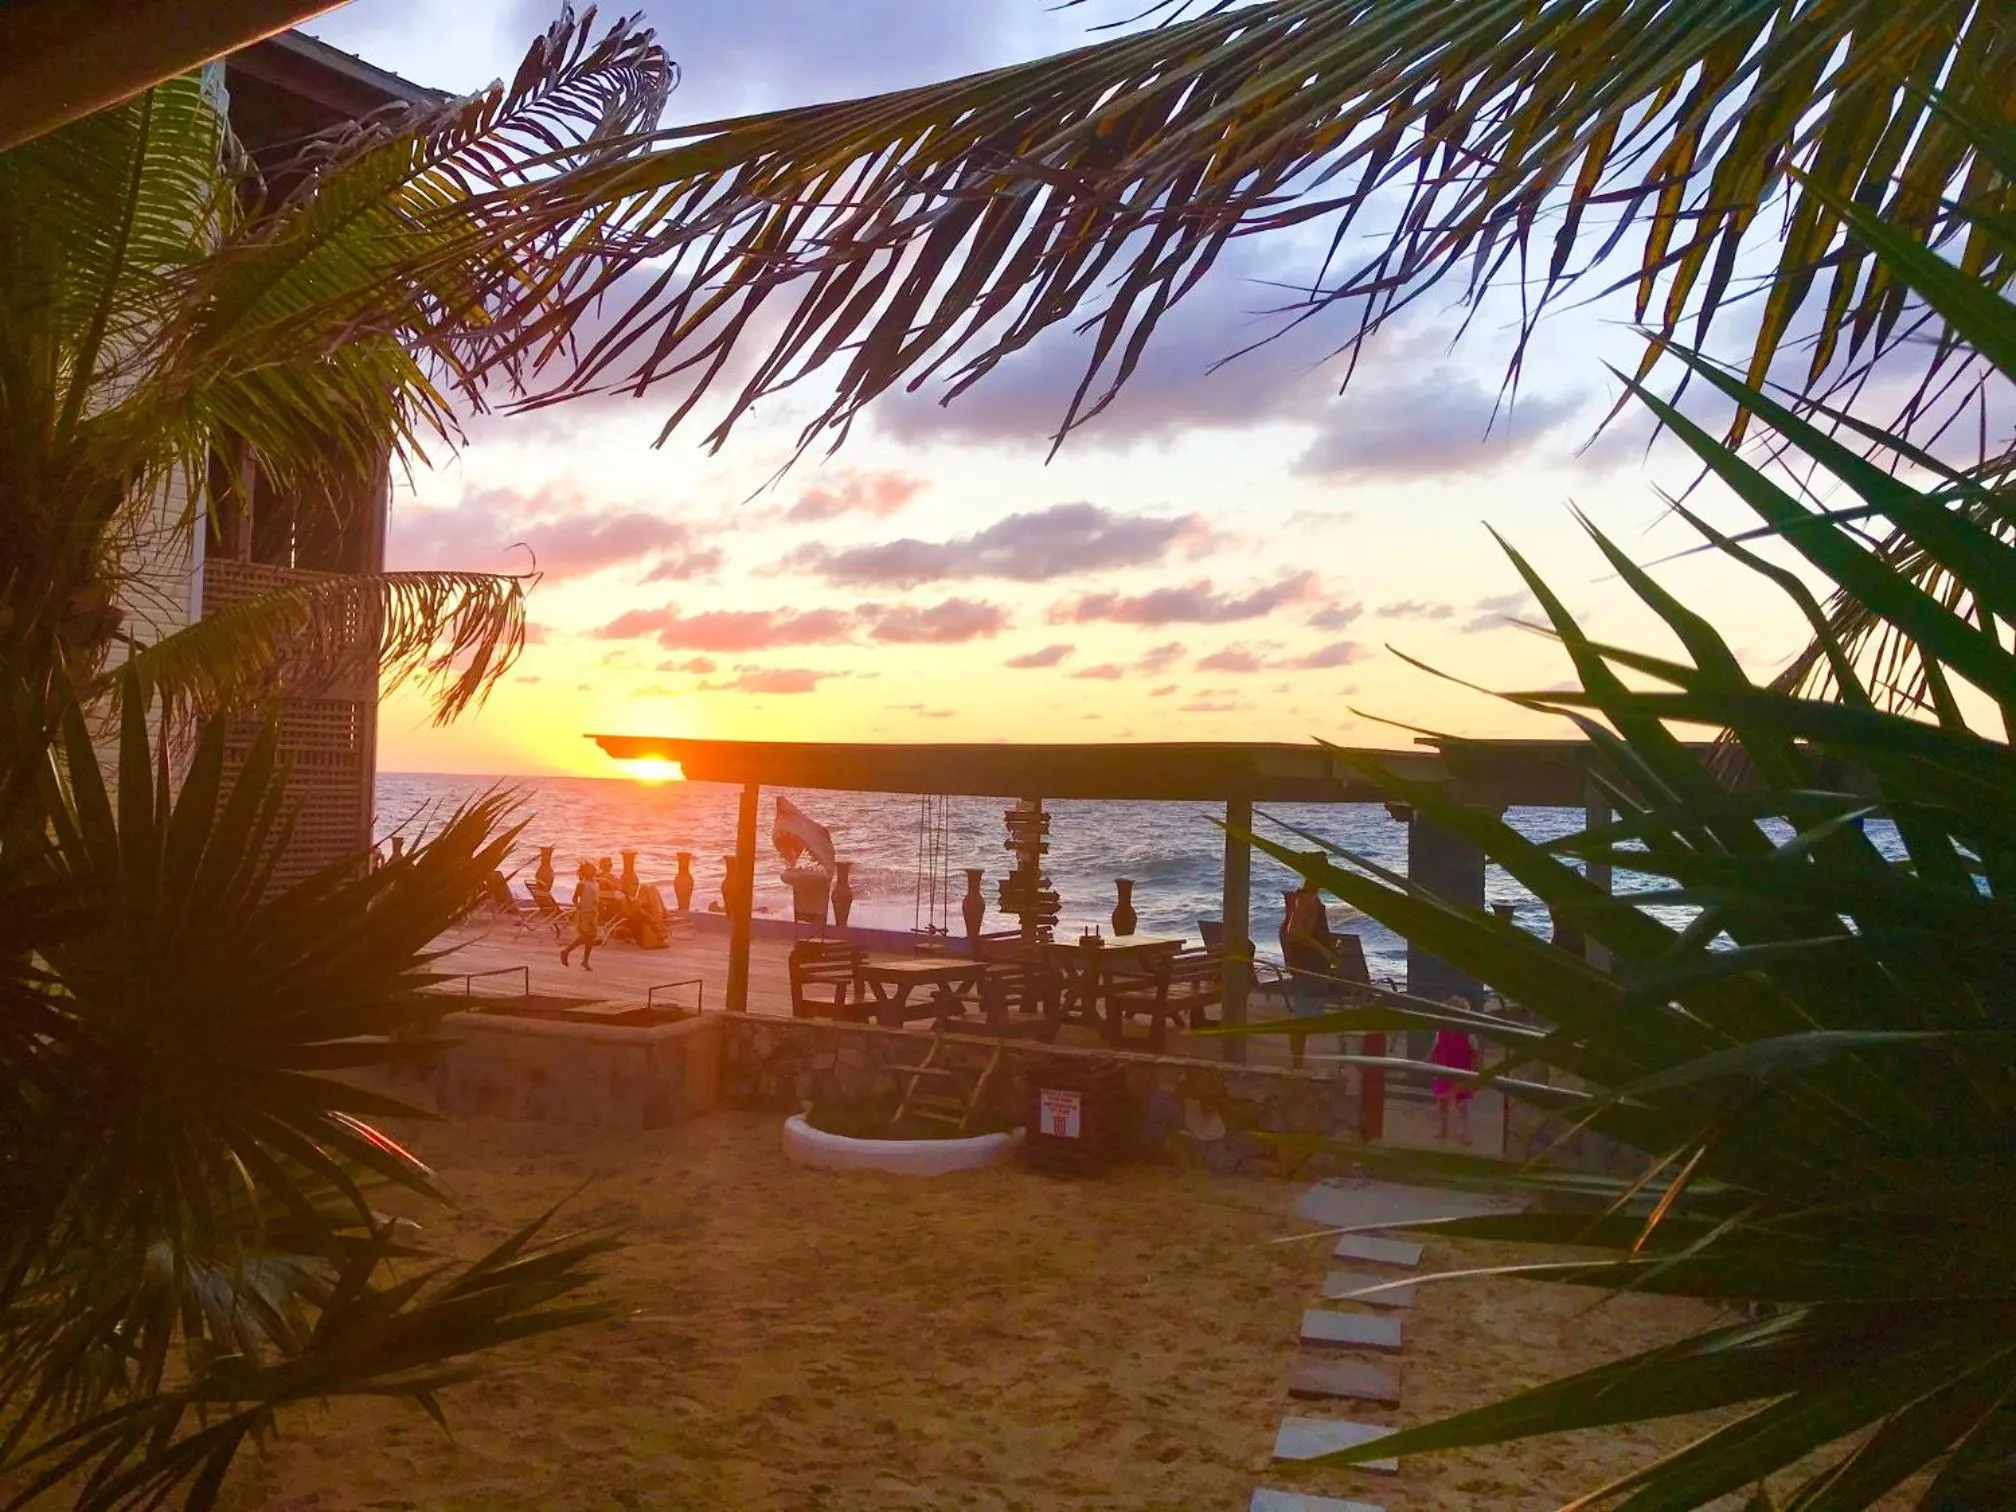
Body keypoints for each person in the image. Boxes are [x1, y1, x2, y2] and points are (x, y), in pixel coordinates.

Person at [1282, 876, 1340, 1070]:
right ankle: (1297, 1062)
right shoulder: (1306, 901)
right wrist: (1322, 950)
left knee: (1306, 1016)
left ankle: (1298, 1060)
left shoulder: (1305, 899)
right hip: (1309, 966)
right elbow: (1295, 932)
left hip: (1311, 965)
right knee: (1303, 1017)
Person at [1429, 1022, 1478, 1144]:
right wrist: (1428, 1063)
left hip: (1462, 1074)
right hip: (1443, 1072)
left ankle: (1462, 1133)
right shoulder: (1441, 1032)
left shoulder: (1469, 1034)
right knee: (1442, 1102)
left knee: (1462, 1105)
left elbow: (1476, 1053)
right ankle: (1443, 1128)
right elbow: (1434, 1048)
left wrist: (1477, 1072)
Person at [560, 860, 600, 970]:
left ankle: (584, 961)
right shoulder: (582, 884)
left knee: (591, 938)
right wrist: (577, 905)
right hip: (584, 913)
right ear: (585, 873)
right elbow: (574, 898)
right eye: (590, 870)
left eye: (593, 869)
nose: (593, 872)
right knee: (586, 937)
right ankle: (566, 951)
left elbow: (596, 898)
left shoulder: (596, 883)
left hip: (593, 913)